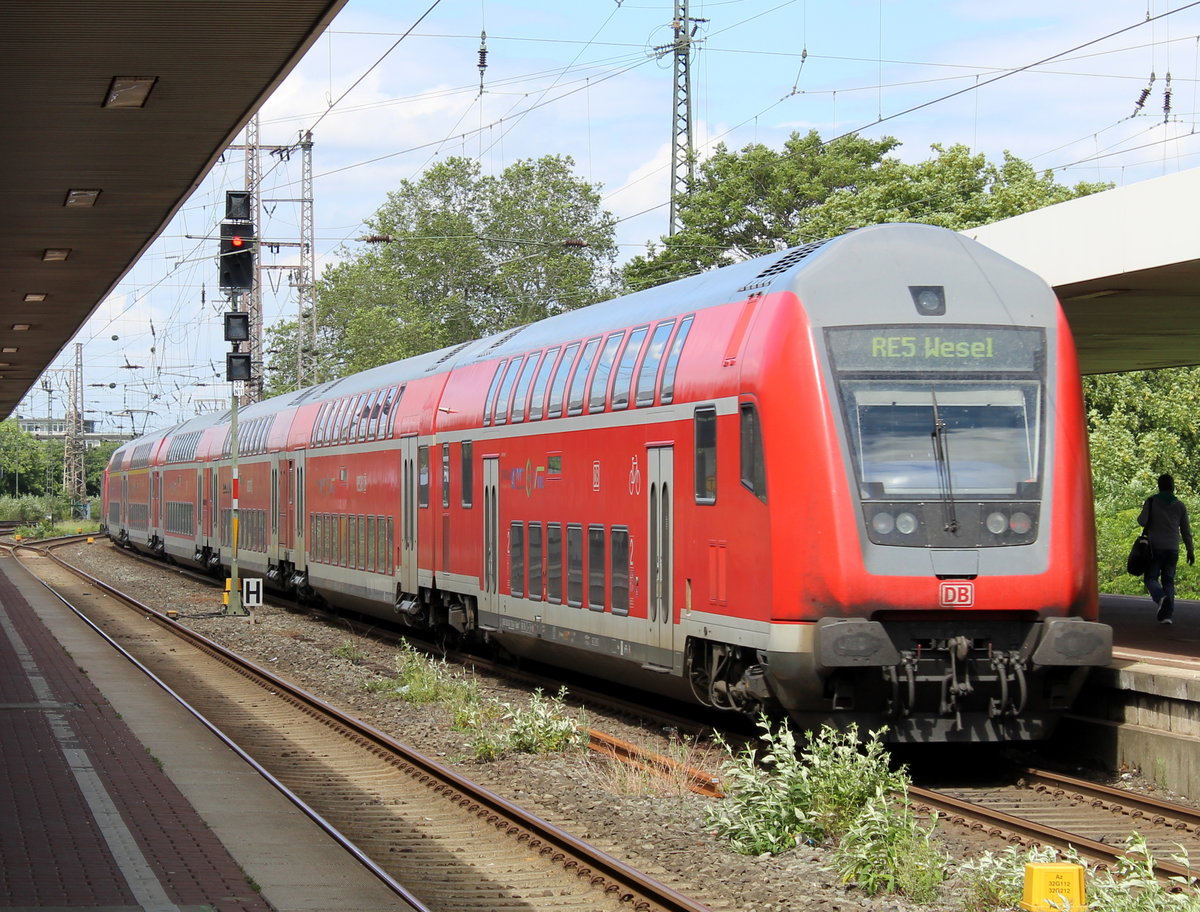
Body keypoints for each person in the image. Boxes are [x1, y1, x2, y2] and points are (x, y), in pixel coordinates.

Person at [1138, 473, 1195, 624]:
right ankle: (1167, 616)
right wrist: (1190, 550)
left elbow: (1142, 521)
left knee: (1150, 578)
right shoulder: (1180, 505)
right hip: (1172, 548)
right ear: (1172, 486)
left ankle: (1160, 597)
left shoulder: (1151, 501)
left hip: (1155, 547)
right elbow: (1186, 531)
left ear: (1159, 486)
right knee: (1168, 580)